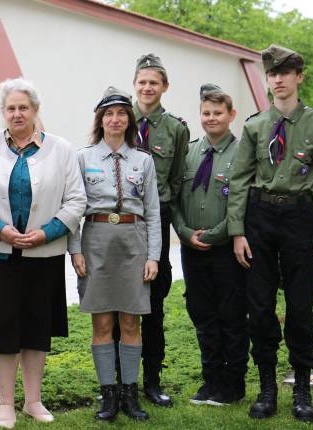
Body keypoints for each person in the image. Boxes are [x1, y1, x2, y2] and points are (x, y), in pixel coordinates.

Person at [0, 78, 86, 429]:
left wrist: (47, 232)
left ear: (35, 111)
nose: (17, 114)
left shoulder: (60, 149)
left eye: (24, 107)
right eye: (11, 108)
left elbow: (76, 200)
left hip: (41, 254)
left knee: (35, 327)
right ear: (3, 112)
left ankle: (33, 400)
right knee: (1, 329)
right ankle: (4, 404)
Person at [227, 45, 313, 422]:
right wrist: (238, 231)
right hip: (259, 216)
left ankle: (303, 388)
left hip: (299, 219)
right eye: (272, 74)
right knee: (259, 308)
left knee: (300, 307)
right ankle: (268, 387)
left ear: (298, 77)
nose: (278, 79)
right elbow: (239, 180)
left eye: (285, 73)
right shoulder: (255, 125)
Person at [69, 86, 161, 422]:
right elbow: (73, 208)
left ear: (129, 120)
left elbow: (153, 212)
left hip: (133, 242)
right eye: (109, 113)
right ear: (100, 119)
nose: (115, 119)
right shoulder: (83, 158)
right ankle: (108, 395)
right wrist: (75, 251)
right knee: (103, 321)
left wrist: (153, 256)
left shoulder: (144, 161)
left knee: (130, 320)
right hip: (96, 243)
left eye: (121, 113)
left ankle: (130, 394)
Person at [172, 84, 248, 406]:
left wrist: (217, 234)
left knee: (230, 316)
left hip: (225, 250)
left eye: (218, 113)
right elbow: (174, 198)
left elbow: (244, 202)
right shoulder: (189, 152)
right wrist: (185, 231)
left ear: (231, 115)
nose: (211, 118)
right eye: (206, 113)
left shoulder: (243, 152)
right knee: (203, 316)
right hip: (192, 248)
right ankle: (210, 382)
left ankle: (233, 385)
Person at [128, 53, 189, 407]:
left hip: (158, 219)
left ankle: (152, 379)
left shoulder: (176, 129)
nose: (147, 88)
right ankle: (122, 381)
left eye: (154, 82)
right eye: (142, 82)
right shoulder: (119, 118)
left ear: (164, 87)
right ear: (134, 85)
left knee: (153, 302)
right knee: (122, 301)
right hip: (124, 220)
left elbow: (178, 180)